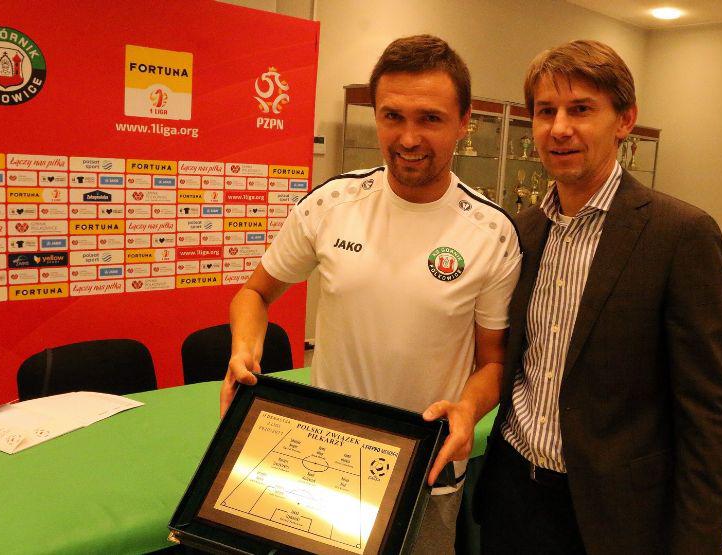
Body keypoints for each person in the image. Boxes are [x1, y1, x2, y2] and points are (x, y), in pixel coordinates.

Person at [220, 34, 522, 554]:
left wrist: (468, 410)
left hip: (427, 468)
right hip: (322, 456)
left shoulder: (492, 233)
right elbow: (255, 293)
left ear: (464, 121)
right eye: (392, 116)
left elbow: (493, 361)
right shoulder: (330, 205)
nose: (408, 138)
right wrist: (243, 351)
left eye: (430, 118)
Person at [474, 40, 722, 554]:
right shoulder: (521, 231)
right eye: (545, 111)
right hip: (513, 498)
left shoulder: (680, 234)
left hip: (614, 516)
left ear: (624, 120)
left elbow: (704, 412)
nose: (559, 128)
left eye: (581, 109)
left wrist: (699, 543)